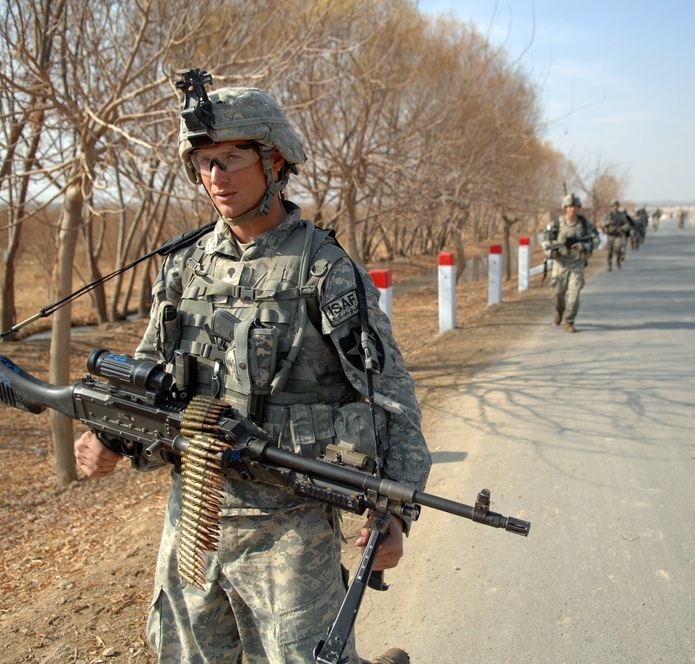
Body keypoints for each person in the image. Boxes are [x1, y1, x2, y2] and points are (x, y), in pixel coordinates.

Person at [74, 85, 429, 664]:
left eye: (233, 157)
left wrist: (394, 510)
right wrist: (108, 433)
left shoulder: (324, 270)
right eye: (205, 161)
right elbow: (147, 376)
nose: (217, 175)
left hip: (288, 529)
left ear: (275, 159)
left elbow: (387, 397)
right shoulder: (184, 266)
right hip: (194, 511)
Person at [543, 193, 598, 333]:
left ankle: (569, 321)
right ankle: (559, 310)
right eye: (569, 207)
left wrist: (584, 246)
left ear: (578, 208)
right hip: (560, 264)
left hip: (577, 263)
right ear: (565, 208)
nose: (572, 210)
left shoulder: (585, 224)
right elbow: (545, 241)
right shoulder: (556, 224)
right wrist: (554, 249)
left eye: (574, 207)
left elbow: (596, 240)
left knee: (573, 295)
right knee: (557, 293)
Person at [602, 200, 630, 270]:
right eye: (613, 206)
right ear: (611, 206)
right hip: (610, 235)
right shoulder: (608, 215)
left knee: (618, 248)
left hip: (618, 235)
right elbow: (603, 223)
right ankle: (609, 265)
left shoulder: (621, 215)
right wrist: (608, 222)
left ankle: (618, 260)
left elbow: (627, 224)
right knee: (609, 251)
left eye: (616, 205)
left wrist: (622, 228)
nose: (615, 207)